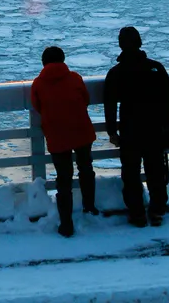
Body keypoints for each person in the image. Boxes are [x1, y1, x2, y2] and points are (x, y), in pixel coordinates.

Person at [103, 26, 169, 228]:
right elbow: (166, 101)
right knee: (156, 171)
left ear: (120, 45)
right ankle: (157, 211)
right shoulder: (156, 69)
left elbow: (110, 104)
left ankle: (137, 213)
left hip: (130, 131)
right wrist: (167, 127)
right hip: (154, 129)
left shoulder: (116, 73)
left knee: (131, 174)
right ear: (140, 43)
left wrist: (112, 131)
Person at [30, 46, 98, 237]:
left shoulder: (38, 84)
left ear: (44, 63)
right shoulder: (74, 78)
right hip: (81, 131)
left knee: (64, 178)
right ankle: (90, 207)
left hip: (57, 135)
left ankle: (66, 223)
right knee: (86, 168)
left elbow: (37, 106)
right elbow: (85, 99)